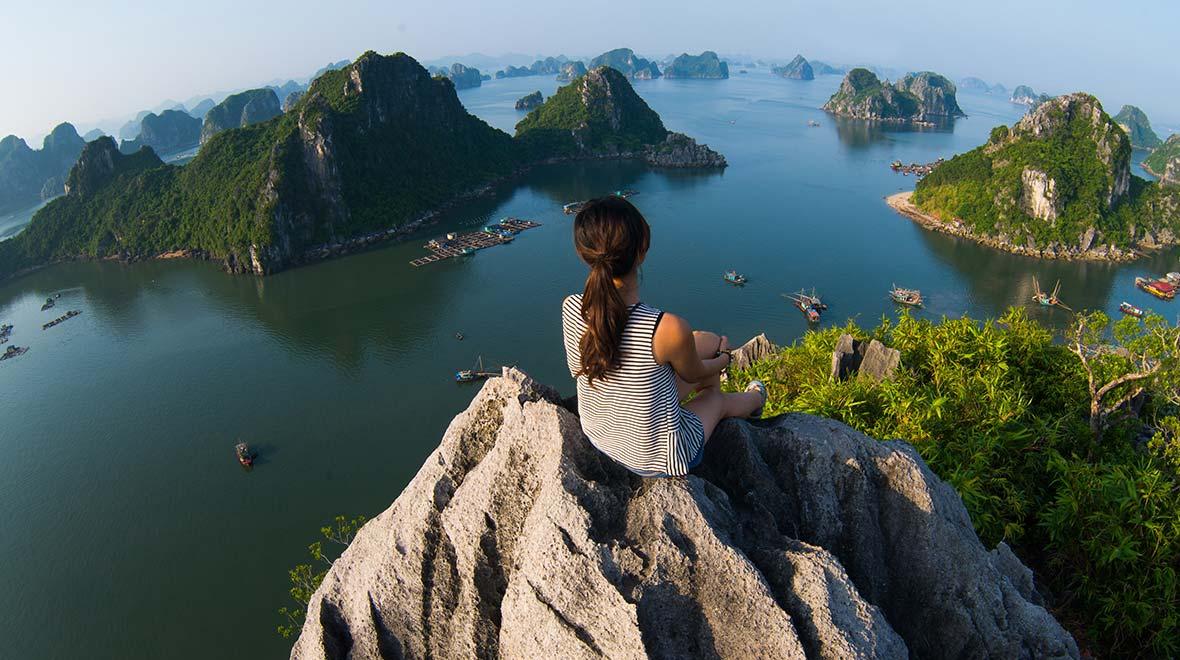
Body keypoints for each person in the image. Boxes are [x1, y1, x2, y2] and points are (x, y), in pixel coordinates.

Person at [561, 196, 767, 477]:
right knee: (716, 399)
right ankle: (756, 399)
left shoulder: (573, 307)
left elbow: (580, 370)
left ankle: (713, 391)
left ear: (583, 253)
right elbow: (695, 373)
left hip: (600, 432)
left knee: (704, 340)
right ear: (642, 250)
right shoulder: (665, 328)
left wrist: (712, 352)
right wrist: (724, 358)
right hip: (655, 458)